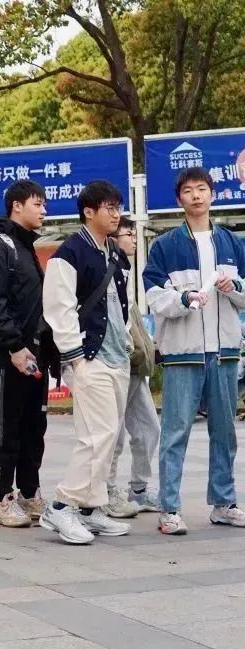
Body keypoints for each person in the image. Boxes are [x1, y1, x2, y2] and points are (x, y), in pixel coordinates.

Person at [142, 167, 245, 535]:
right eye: (188, 190)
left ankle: (224, 503)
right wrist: (184, 299)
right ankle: (169, 508)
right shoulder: (165, 246)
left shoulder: (233, 243)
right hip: (183, 353)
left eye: (202, 189)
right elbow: (154, 296)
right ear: (179, 199)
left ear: (212, 195)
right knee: (175, 432)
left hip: (224, 351)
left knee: (225, 431)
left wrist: (234, 287)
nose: (196, 196)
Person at [40, 180, 133, 544]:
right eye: (109, 208)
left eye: (118, 207)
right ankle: (62, 505)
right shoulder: (69, 253)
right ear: (89, 212)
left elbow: (121, 305)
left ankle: (91, 508)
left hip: (116, 357)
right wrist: (76, 358)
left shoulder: (113, 252)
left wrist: (126, 344)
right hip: (89, 357)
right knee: (96, 436)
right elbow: (58, 309)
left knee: (109, 436)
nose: (116, 214)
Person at [0, 180, 51, 529]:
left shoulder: (26, 248)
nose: (44, 210)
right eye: (38, 204)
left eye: (44, 204)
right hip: (9, 356)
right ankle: (3, 497)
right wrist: (15, 347)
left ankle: (29, 492)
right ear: (17, 206)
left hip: (35, 355)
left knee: (34, 426)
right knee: (6, 428)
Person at [105, 217, 160, 516]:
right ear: (113, 239)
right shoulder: (107, 271)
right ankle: (107, 492)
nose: (135, 240)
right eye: (129, 234)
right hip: (115, 363)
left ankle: (138, 490)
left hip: (134, 366)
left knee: (149, 428)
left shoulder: (125, 271)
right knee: (112, 435)